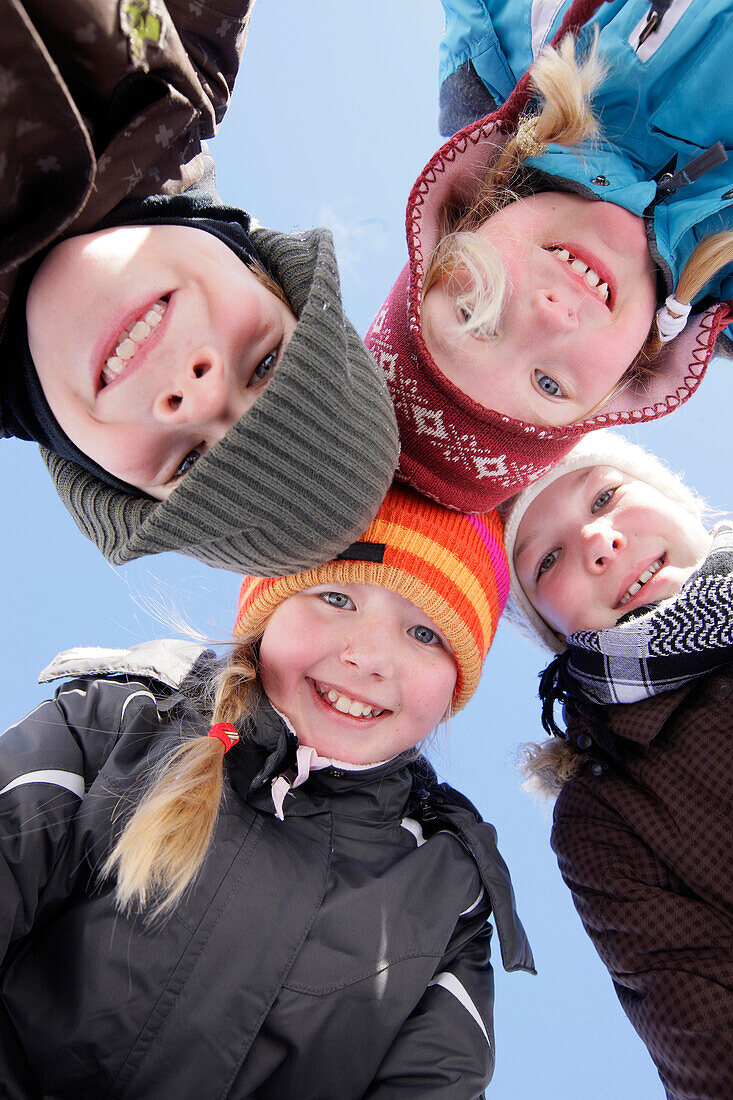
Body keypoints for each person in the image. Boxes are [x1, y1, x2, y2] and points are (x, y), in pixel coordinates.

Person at [0, 484, 534, 1097]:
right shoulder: (120, 724)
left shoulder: (445, 894)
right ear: (266, 608)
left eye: (425, 634)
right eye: (337, 597)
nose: (370, 657)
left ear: (453, 691)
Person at [0, 0, 398, 574]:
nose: (204, 397)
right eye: (265, 365)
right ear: (267, 271)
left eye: (188, 464)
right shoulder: (190, 36)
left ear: (96, 479)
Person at [365, 0, 733, 513]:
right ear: (626, 381)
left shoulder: (504, 43)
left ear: (459, 230)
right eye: (549, 385)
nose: (550, 318)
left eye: (474, 316)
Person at [501, 430, 733, 1099]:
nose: (597, 542)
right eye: (546, 561)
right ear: (547, 626)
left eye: (604, 495)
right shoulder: (607, 814)